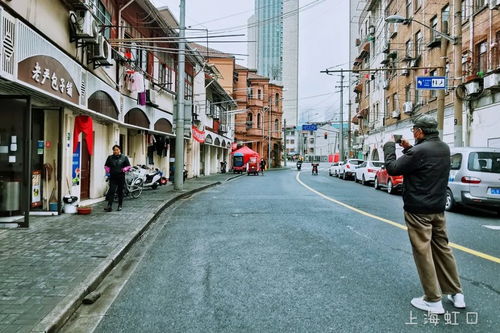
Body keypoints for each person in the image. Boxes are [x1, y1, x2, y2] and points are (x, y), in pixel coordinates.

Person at [383, 115, 465, 314]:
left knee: (423, 252)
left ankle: (432, 299)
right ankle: (456, 293)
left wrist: (389, 147)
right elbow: (420, 159)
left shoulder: (419, 151)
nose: (412, 133)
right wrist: (408, 146)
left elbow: (393, 169)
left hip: (418, 210)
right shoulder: (443, 148)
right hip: (437, 209)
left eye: (413, 130)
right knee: (443, 249)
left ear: (420, 131)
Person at [104, 145, 131, 212]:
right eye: (114, 150)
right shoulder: (110, 158)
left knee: (120, 191)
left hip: (121, 177)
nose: (115, 151)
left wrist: (124, 169)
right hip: (113, 177)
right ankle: (109, 206)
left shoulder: (124, 157)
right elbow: (106, 166)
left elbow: (129, 166)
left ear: (119, 150)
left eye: (117, 150)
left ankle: (120, 205)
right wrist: (108, 172)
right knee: (111, 191)